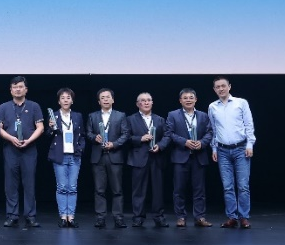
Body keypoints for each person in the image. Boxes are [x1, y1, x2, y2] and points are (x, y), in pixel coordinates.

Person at [0, 76, 46, 228]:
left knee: (29, 183)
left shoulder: (34, 106)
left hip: (29, 149)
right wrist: (11, 138)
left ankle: (30, 216)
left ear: (26, 89)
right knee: (10, 184)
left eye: (20, 87)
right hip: (10, 149)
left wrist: (29, 140)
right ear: (11, 90)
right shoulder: (4, 107)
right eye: (15, 87)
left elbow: (40, 127)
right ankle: (12, 215)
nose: (18, 89)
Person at [209, 76, 257, 229]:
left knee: (243, 186)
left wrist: (250, 144)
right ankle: (232, 217)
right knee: (227, 186)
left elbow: (249, 124)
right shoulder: (212, 107)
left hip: (241, 148)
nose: (221, 89)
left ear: (229, 86)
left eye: (223, 86)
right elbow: (213, 129)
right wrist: (214, 148)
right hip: (222, 150)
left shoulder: (241, 103)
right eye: (218, 87)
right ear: (214, 89)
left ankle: (244, 217)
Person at [166, 88, 214, 227]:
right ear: (180, 101)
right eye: (185, 98)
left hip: (199, 156)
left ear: (196, 100)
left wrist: (202, 143)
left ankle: (200, 217)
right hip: (180, 157)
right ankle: (181, 217)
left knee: (199, 190)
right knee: (179, 189)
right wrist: (184, 142)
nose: (188, 100)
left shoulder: (203, 116)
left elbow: (210, 132)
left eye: (191, 97)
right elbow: (169, 133)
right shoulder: (173, 115)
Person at [87, 88, 132, 229]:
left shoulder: (120, 115)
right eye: (103, 97)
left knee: (117, 190)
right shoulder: (92, 116)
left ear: (113, 99)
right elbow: (88, 133)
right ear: (98, 101)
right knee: (99, 190)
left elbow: (126, 134)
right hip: (98, 156)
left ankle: (118, 218)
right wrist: (94, 137)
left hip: (115, 155)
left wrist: (115, 144)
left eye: (108, 97)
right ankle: (100, 218)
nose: (105, 99)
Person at [125, 92, 171, 228]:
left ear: (152, 102)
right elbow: (125, 137)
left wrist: (160, 146)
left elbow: (167, 136)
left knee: (158, 189)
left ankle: (159, 217)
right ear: (137, 104)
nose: (146, 102)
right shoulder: (130, 119)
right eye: (143, 100)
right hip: (138, 158)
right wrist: (140, 138)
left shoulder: (160, 119)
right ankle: (138, 217)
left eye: (148, 100)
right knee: (138, 190)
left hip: (157, 157)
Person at [46, 88, 85, 228]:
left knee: (72, 187)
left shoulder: (78, 116)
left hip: (74, 155)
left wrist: (80, 148)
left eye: (68, 97)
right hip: (59, 155)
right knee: (62, 187)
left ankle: (71, 217)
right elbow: (48, 135)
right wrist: (50, 128)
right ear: (59, 101)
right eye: (62, 98)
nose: (66, 100)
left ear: (72, 100)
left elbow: (82, 135)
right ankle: (63, 216)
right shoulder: (54, 116)